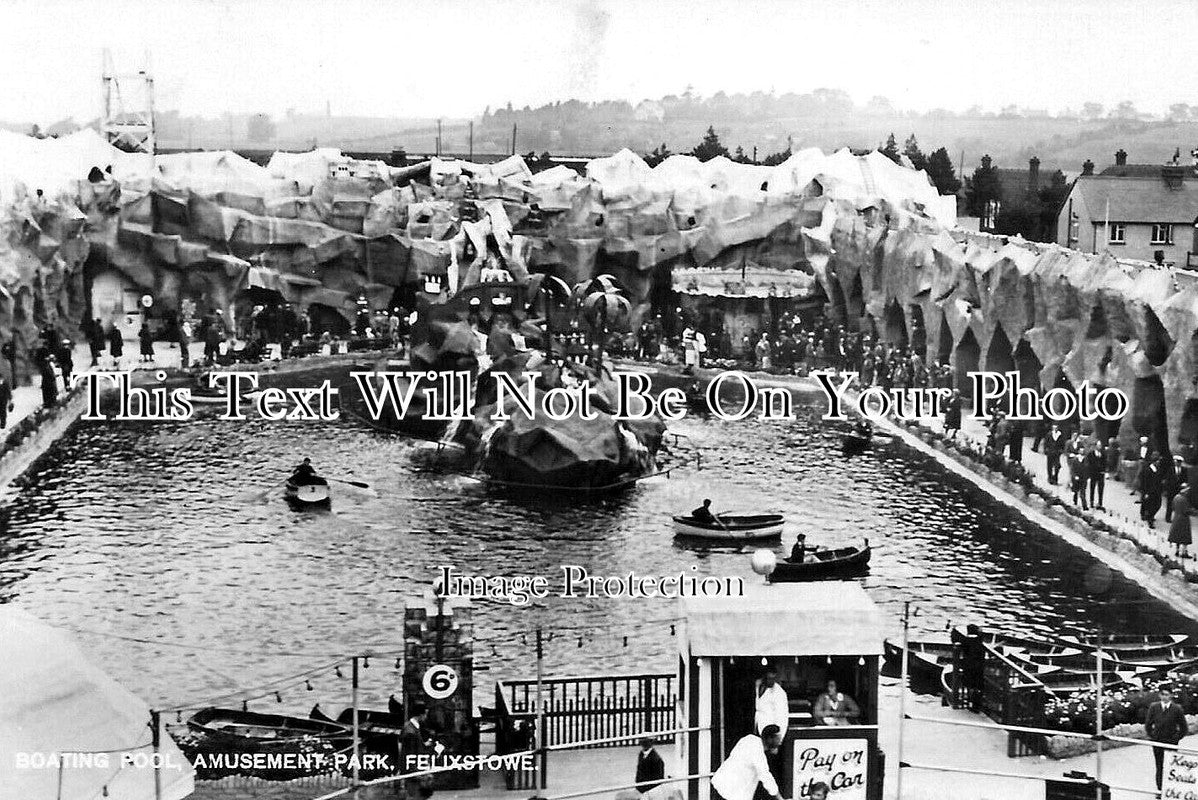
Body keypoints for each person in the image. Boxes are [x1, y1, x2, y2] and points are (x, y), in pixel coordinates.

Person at [709, 726, 785, 800]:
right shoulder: (757, 752)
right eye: (778, 738)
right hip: (728, 792)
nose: (781, 741)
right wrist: (780, 798)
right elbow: (766, 776)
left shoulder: (750, 739)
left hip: (721, 786)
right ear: (769, 738)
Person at [1146, 686, 1188, 790]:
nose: (1164, 697)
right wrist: (1153, 737)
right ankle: (1160, 788)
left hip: (1171, 742)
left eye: (1167, 694)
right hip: (1157, 742)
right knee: (1159, 765)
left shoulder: (1177, 708)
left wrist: (1176, 738)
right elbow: (1148, 724)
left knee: (1170, 764)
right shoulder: (1154, 707)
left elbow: (1184, 727)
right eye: (1162, 694)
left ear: (1171, 696)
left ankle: (1171, 788)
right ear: (1159, 695)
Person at [754, 667, 789, 736]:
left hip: (770, 731)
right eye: (769, 678)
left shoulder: (779, 692)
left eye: (773, 679)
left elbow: (782, 717)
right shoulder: (757, 685)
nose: (771, 681)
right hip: (757, 727)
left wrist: (779, 736)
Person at [1140, 454, 1165, 528]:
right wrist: (1145, 492)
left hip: (1157, 491)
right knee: (1149, 505)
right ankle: (1150, 520)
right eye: (1158, 461)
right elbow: (1144, 482)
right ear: (1154, 461)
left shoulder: (1158, 469)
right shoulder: (1148, 470)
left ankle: (1150, 515)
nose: (1159, 462)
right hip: (1149, 491)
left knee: (1158, 505)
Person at [1169, 483, 1192, 559]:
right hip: (1183, 520)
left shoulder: (1176, 497)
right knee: (1185, 538)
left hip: (1176, 518)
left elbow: (1173, 507)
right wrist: (1194, 512)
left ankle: (1177, 551)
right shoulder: (1184, 499)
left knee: (1177, 536)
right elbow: (1186, 511)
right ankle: (1184, 552)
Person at [1085, 441, 1106, 510]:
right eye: (1098, 445)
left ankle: (1100, 502)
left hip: (1101, 474)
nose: (1100, 447)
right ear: (1095, 446)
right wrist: (1089, 473)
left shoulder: (1103, 454)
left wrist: (1104, 470)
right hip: (1093, 474)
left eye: (1100, 445)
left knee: (1100, 489)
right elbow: (1088, 464)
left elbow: (1105, 463)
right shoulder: (1091, 454)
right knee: (1092, 488)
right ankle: (1091, 502)